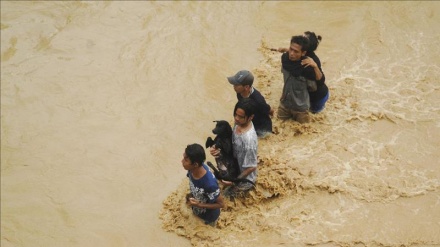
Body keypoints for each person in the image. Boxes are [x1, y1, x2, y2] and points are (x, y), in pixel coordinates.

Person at [210, 98, 258, 197]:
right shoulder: (238, 123)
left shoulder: (249, 140)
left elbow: (252, 167)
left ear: (250, 117)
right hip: (234, 167)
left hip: (244, 179)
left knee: (226, 197)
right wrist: (217, 148)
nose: (236, 118)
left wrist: (234, 182)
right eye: (235, 114)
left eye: (241, 117)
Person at [278, 31, 329, 113]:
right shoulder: (296, 55)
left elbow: (320, 82)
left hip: (317, 97)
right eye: (291, 50)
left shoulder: (309, 63)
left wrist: (315, 67)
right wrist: (286, 50)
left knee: (314, 115)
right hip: (307, 95)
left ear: (304, 51)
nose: (292, 53)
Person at [182, 143, 224, 226]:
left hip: (208, 218)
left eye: (186, 160)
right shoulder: (192, 170)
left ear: (195, 164)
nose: (182, 161)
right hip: (196, 209)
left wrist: (199, 204)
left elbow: (221, 204)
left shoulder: (210, 184)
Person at [227, 70, 274, 137]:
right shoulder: (239, 93)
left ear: (246, 87)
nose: (234, 86)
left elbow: (269, 110)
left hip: (262, 128)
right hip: (250, 121)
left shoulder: (258, 101)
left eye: (236, 85)